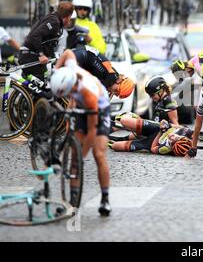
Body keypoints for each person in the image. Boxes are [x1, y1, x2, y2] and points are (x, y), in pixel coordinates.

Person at [50, 53, 112, 216]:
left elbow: (92, 131)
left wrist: (82, 157)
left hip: (99, 109)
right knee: (74, 154)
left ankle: (105, 198)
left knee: (98, 154)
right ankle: (72, 202)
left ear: (72, 87)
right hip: (81, 107)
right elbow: (68, 53)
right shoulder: (71, 70)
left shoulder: (88, 93)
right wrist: (56, 70)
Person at [19, 1, 74, 81]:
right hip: (31, 57)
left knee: (41, 83)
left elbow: (48, 43)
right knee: (40, 89)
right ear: (69, 16)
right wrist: (41, 54)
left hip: (30, 56)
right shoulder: (54, 22)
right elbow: (35, 35)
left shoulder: (53, 17)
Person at [56, 47, 135, 99]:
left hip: (84, 56)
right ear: (119, 81)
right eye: (116, 90)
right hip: (83, 56)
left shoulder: (114, 77)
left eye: (116, 94)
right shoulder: (111, 78)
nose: (113, 92)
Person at [109, 115, 192, 156]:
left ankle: (107, 140)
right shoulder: (185, 132)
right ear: (181, 137)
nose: (171, 137)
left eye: (171, 141)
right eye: (175, 137)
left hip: (150, 143)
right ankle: (132, 116)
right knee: (124, 121)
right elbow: (177, 126)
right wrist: (166, 124)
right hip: (155, 129)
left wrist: (160, 132)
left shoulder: (165, 149)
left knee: (115, 146)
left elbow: (152, 149)